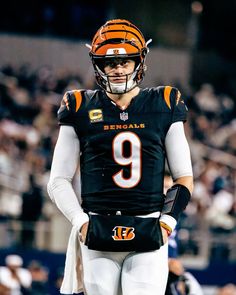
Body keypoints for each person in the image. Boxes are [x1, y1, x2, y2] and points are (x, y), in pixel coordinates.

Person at [47, 19, 194, 295]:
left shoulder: (164, 102)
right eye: (109, 63)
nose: (117, 69)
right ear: (98, 65)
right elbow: (57, 180)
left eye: (125, 61)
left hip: (148, 223)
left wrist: (167, 223)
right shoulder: (79, 105)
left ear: (139, 62)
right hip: (98, 226)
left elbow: (183, 177)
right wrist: (81, 222)